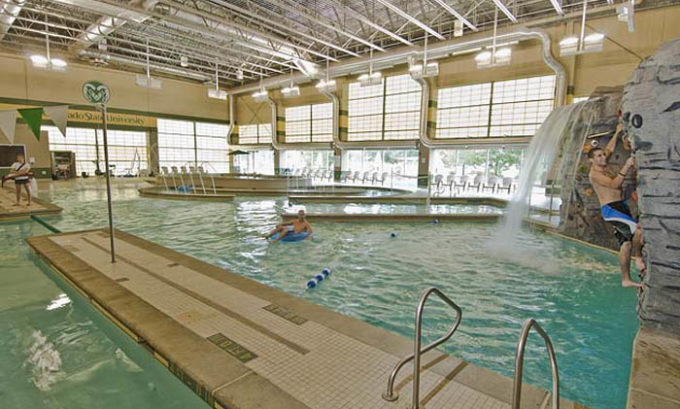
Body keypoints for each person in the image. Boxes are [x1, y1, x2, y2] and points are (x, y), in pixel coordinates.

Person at [588, 125, 644, 288]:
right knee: (639, 230)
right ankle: (638, 257)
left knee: (625, 244)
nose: (603, 158)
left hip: (621, 206)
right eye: (598, 156)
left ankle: (625, 279)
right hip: (611, 210)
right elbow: (614, 184)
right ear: (592, 160)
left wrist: (618, 132)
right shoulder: (595, 174)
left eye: (603, 155)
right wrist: (627, 165)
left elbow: (609, 149)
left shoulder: (603, 164)